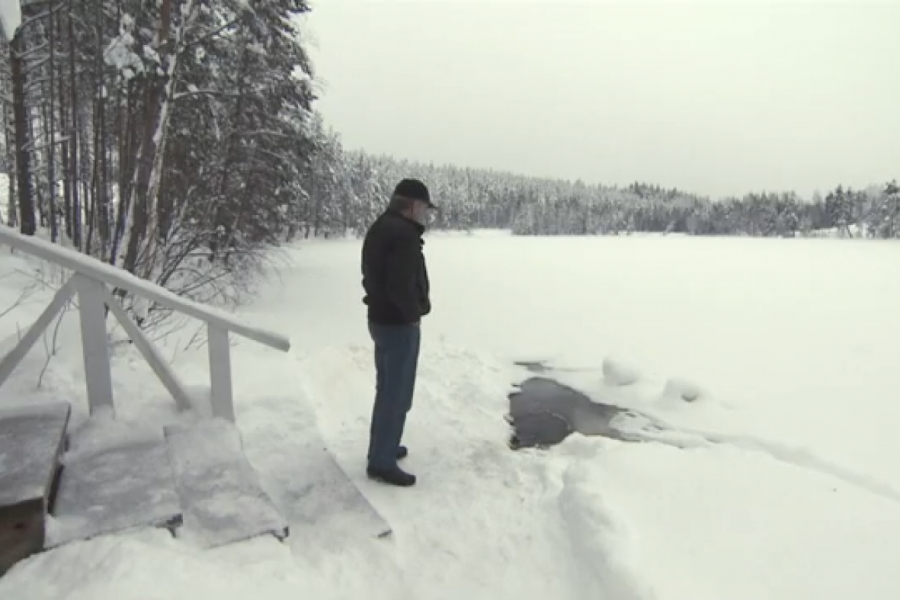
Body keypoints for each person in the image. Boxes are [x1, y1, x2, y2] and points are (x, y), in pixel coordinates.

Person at [360, 178, 436, 487]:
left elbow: (373, 277)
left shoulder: (382, 226)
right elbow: (399, 286)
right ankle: (381, 462)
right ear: (414, 205)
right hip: (397, 326)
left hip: (380, 321)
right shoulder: (402, 235)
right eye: (425, 209)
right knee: (396, 395)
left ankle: (384, 448)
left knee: (387, 390)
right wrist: (412, 316)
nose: (426, 216)